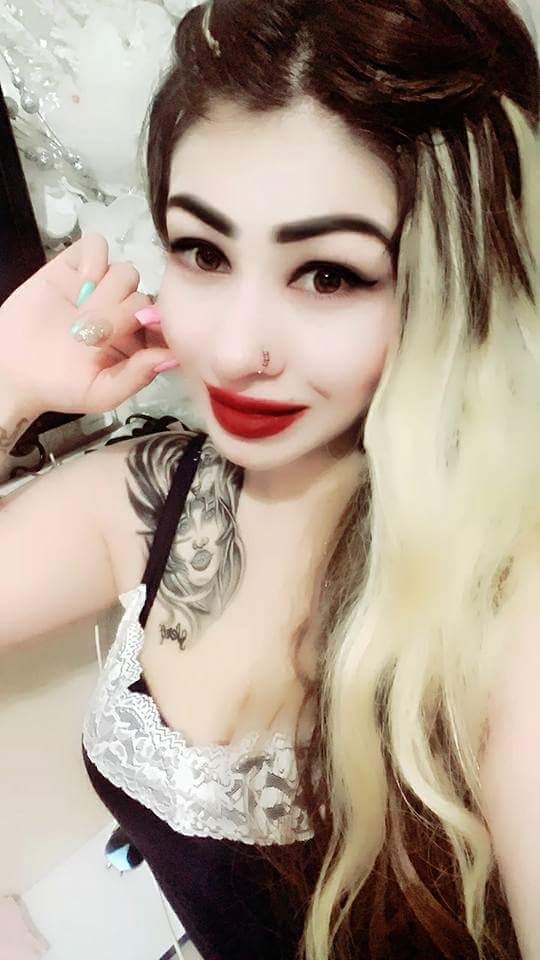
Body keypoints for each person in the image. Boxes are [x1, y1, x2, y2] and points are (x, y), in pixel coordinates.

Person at [0, 1, 538, 958]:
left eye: (328, 275)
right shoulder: (152, 500)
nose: (234, 348)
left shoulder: (504, 597)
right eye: (203, 253)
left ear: (455, 280)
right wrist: (7, 387)